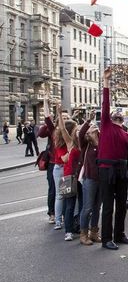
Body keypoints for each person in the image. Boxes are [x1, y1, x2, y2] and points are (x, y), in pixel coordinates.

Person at [99, 67, 128, 250]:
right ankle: (106, 238)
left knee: (121, 204)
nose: (118, 116)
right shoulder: (106, 126)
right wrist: (106, 82)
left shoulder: (126, 133)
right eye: (116, 115)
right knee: (108, 206)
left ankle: (119, 234)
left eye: (120, 116)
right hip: (107, 169)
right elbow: (105, 104)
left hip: (122, 169)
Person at [56, 106, 80, 241]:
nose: (78, 130)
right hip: (69, 176)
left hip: (81, 176)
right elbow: (63, 129)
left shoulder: (82, 142)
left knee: (82, 204)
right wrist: (59, 115)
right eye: (76, 129)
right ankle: (68, 231)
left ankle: (80, 227)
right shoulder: (70, 143)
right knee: (70, 204)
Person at [77, 112, 101, 245]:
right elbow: (80, 134)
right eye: (91, 128)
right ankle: (83, 234)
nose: (94, 128)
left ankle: (94, 233)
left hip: (101, 179)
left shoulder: (102, 142)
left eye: (95, 127)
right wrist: (87, 121)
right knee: (87, 207)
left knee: (97, 207)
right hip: (90, 178)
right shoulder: (86, 145)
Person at [37, 91, 57, 224]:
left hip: (66, 164)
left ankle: (63, 212)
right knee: (53, 189)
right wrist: (45, 102)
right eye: (63, 117)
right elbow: (47, 119)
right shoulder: (53, 129)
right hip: (53, 163)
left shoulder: (70, 130)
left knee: (67, 190)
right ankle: (52, 212)